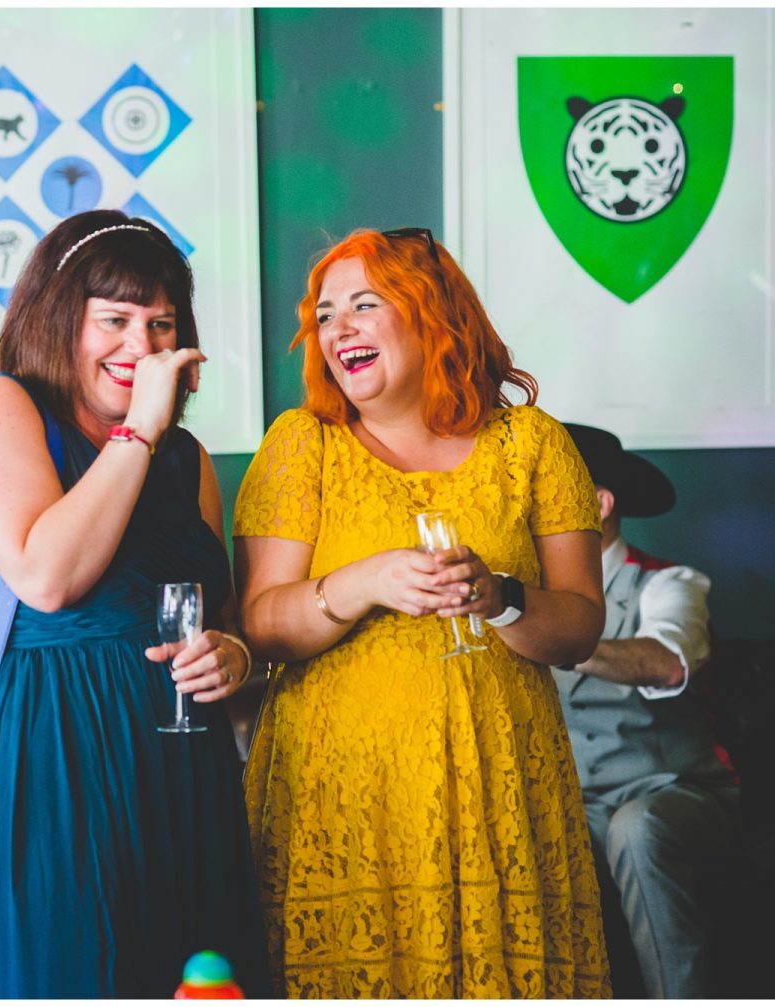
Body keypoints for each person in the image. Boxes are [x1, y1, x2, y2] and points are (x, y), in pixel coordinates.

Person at [232, 227, 611, 997]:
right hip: (342, 795)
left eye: (364, 305)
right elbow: (262, 625)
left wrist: (501, 596)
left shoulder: (532, 444)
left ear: (431, 311)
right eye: (326, 313)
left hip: (500, 783)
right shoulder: (303, 445)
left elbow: (580, 628)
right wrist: (362, 581)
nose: (339, 329)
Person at [0, 208, 269, 997]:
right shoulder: (0, 406)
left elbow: (221, 625)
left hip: (184, 769)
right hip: (56, 760)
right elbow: (48, 577)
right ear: (57, 319)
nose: (141, 346)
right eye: (115, 320)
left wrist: (236, 656)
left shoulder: (185, 459)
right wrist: (138, 433)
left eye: (161, 325)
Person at [555, 423, 739, 1000]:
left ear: (600, 503)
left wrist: (554, 640)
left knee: (636, 830)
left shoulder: (670, 583)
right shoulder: (532, 597)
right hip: (575, 804)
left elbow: (666, 663)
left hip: (674, 793)